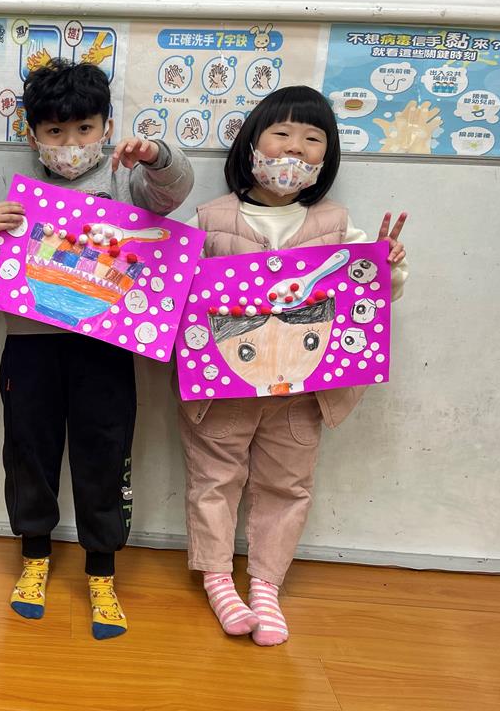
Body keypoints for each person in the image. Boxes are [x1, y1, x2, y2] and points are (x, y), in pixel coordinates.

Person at [176, 85, 408, 646]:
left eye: (312, 139)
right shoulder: (209, 218)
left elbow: (374, 295)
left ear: (327, 156)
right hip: (225, 388)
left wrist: (384, 264)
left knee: (288, 484)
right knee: (213, 479)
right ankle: (216, 577)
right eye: (281, 133)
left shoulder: (336, 223)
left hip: (301, 391)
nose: (295, 149)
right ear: (252, 144)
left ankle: (266, 584)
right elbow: (171, 291)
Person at [0, 59, 194, 639]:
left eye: (84, 128)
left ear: (106, 127)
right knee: (28, 449)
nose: (70, 144)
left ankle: (102, 569)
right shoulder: (19, 194)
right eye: (54, 131)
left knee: (105, 451)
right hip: (30, 346)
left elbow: (174, 191)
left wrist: (155, 155)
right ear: (33, 135)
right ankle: (35, 556)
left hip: (105, 348)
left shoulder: (127, 181)